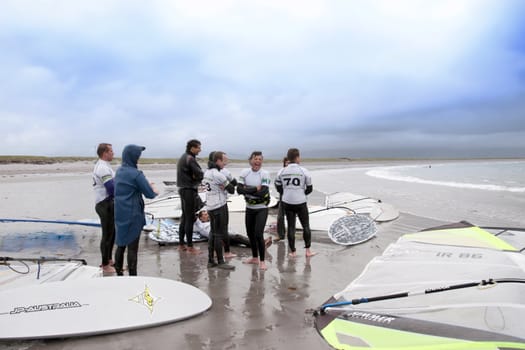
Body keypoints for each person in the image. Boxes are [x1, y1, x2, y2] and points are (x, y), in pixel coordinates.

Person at [114, 144, 158, 276]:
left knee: (120, 244)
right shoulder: (136, 174)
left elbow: (128, 187)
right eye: (138, 156)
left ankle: (119, 274)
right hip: (133, 214)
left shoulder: (119, 171)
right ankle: (133, 276)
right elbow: (150, 194)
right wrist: (153, 188)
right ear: (134, 157)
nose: (138, 158)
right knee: (133, 247)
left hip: (120, 211)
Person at [275, 148, 316, 258]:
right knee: (306, 226)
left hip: (287, 202)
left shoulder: (282, 171)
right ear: (297, 157)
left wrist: (286, 193)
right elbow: (310, 188)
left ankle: (293, 251)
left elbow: (278, 186)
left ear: (288, 158)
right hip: (301, 202)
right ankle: (308, 251)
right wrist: (302, 194)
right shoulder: (304, 171)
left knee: (291, 227)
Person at [237, 151, 273, 270]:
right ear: (250, 160)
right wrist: (254, 189)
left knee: (258, 234)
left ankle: (262, 261)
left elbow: (263, 192)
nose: (257, 161)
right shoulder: (245, 172)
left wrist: (247, 189)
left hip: (261, 208)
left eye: (260, 159)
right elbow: (239, 190)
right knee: (250, 234)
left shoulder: (265, 174)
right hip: (249, 208)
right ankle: (254, 258)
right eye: (255, 159)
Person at [202, 151, 235, 270]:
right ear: (217, 161)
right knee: (218, 234)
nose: (225, 163)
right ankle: (221, 261)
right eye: (223, 160)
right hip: (219, 206)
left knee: (213, 233)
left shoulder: (207, 172)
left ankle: (211, 260)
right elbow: (232, 189)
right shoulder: (218, 175)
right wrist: (226, 187)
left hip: (210, 206)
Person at [92, 143, 116, 274]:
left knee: (113, 233)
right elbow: (111, 188)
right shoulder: (102, 167)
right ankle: (105, 264)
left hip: (108, 202)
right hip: (103, 203)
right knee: (107, 234)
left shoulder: (106, 166)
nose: (113, 153)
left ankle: (110, 259)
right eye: (111, 151)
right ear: (104, 153)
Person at [177, 139, 204, 254]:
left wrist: (194, 176)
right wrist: (196, 178)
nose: (200, 150)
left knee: (184, 217)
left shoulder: (183, 157)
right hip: (189, 190)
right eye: (198, 147)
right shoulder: (190, 159)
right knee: (189, 218)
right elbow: (200, 174)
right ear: (192, 148)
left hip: (182, 189)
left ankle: (181, 244)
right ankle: (190, 246)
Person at [275, 156, 290, 242]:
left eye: (289, 162)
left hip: (292, 199)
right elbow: (277, 184)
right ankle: (281, 235)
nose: (287, 164)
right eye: (286, 162)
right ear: (284, 163)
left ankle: (291, 234)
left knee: (290, 217)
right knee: (280, 217)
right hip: (283, 197)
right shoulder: (281, 172)